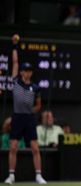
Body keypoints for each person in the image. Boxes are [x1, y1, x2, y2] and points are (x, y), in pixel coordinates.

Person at [4, 34, 47, 184]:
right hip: (17, 117)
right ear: (21, 72)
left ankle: (38, 175)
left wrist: (32, 111)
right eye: (25, 70)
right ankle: (11, 176)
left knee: (35, 148)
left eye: (29, 70)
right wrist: (15, 45)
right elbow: (15, 61)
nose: (27, 72)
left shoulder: (35, 88)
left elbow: (39, 105)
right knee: (13, 146)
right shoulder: (16, 81)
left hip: (29, 118)